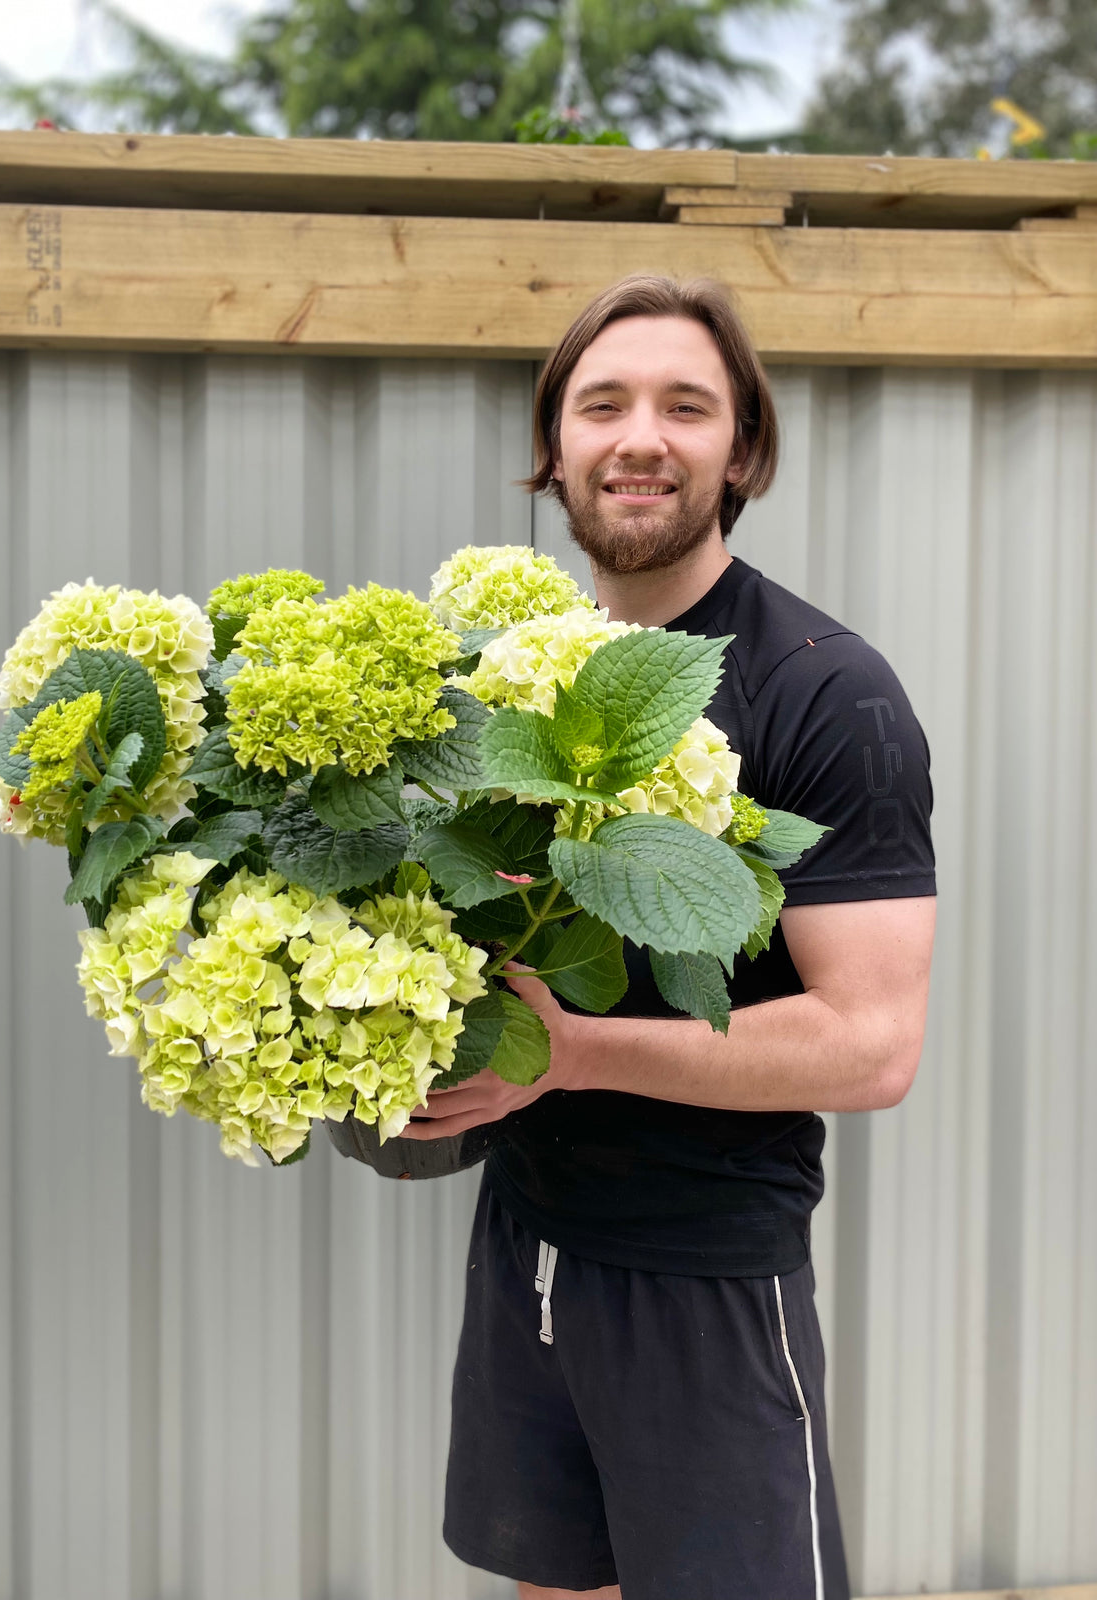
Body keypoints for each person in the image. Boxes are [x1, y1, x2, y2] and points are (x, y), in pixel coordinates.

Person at [399, 275, 936, 1600]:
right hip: (525, 1239)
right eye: (604, 404)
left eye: (686, 406)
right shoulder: (498, 677)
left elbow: (870, 1047)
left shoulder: (823, 689)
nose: (641, 436)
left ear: (740, 449)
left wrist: (573, 1055)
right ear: (556, 449)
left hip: (703, 1277)